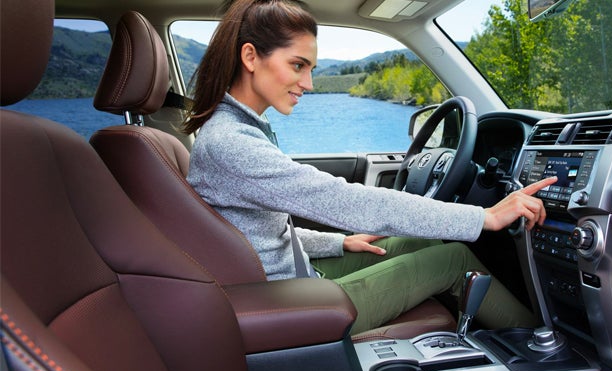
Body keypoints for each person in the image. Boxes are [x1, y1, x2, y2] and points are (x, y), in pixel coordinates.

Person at [184, 0, 558, 335]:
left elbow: (259, 236)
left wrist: (338, 242)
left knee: (422, 241)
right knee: (455, 259)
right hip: (288, 302)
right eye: (298, 65)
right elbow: (341, 200)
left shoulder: (239, 130)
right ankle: (545, 349)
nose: (309, 84)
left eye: (311, 68)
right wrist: (484, 217)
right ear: (251, 57)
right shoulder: (231, 142)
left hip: (291, 278)